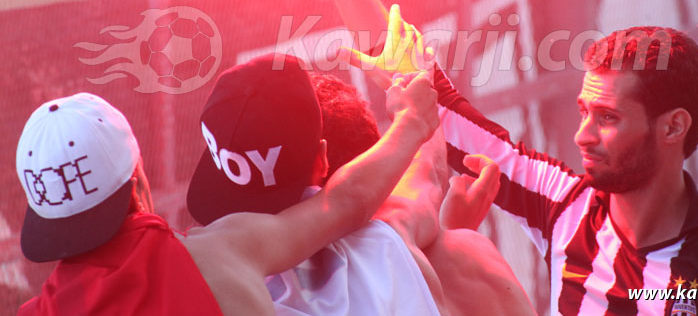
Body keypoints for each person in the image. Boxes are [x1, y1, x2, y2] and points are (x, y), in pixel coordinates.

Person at [289, 0, 698, 315]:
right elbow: (438, 107)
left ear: (674, 126)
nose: (582, 135)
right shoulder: (565, 207)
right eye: (584, 111)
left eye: (607, 118)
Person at [15, 55, 440, 315]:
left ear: (44, 220)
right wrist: (412, 122)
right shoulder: (221, 254)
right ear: (137, 179)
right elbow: (347, 202)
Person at [186, 52, 535, 315]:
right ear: (322, 162)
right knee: (460, 251)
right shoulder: (389, 234)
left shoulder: (208, 271)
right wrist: (411, 87)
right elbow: (426, 170)